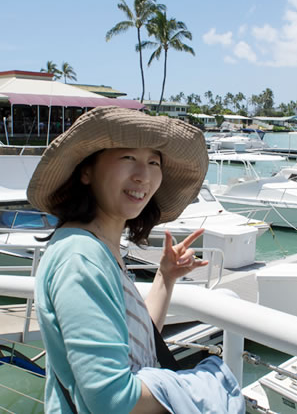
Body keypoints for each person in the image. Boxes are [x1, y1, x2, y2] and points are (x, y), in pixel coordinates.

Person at [27, 106, 244, 413]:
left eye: (153, 162)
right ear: (86, 171)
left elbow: (135, 345)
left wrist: (165, 277)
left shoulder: (99, 248)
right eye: (128, 158)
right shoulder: (80, 258)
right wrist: (203, 385)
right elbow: (112, 401)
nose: (143, 176)